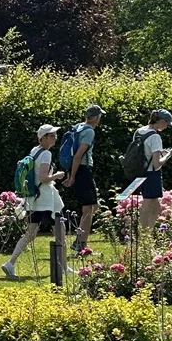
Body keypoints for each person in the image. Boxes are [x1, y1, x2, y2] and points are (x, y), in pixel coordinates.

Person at [2, 125, 65, 280]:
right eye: (51, 135)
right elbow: (43, 178)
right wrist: (57, 175)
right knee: (60, 229)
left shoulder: (34, 151)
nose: (55, 138)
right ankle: (63, 266)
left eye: (55, 135)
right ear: (43, 138)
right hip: (46, 199)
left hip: (33, 198)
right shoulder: (46, 154)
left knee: (30, 233)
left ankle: (10, 263)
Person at [64, 104, 105, 254]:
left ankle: (80, 240)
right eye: (99, 116)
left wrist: (70, 173)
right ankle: (81, 244)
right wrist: (73, 176)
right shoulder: (89, 132)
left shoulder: (78, 127)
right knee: (88, 208)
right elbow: (78, 156)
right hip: (82, 170)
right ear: (95, 118)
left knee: (93, 206)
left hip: (78, 169)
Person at [134, 109, 172, 229]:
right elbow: (157, 164)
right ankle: (144, 234)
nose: (166, 127)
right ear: (162, 121)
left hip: (139, 171)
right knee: (147, 203)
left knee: (156, 207)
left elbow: (144, 152)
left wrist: (159, 152)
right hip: (151, 174)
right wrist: (169, 155)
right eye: (167, 124)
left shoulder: (139, 131)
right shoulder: (155, 136)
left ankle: (150, 232)